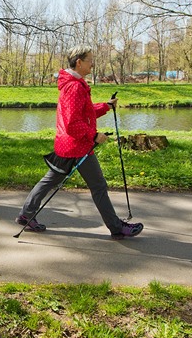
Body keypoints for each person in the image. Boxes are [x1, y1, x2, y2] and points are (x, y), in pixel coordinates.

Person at [15, 45, 143, 240]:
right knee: (98, 186)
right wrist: (93, 136)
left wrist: (105, 106)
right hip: (77, 146)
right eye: (90, 60)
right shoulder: (74, 86)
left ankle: (26, 214)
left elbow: (84, 112)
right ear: (79, 62)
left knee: (50, 180)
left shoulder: (74, 84)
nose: (93, 63)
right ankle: (117, 228)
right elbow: (72, 122)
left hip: (68, 145)